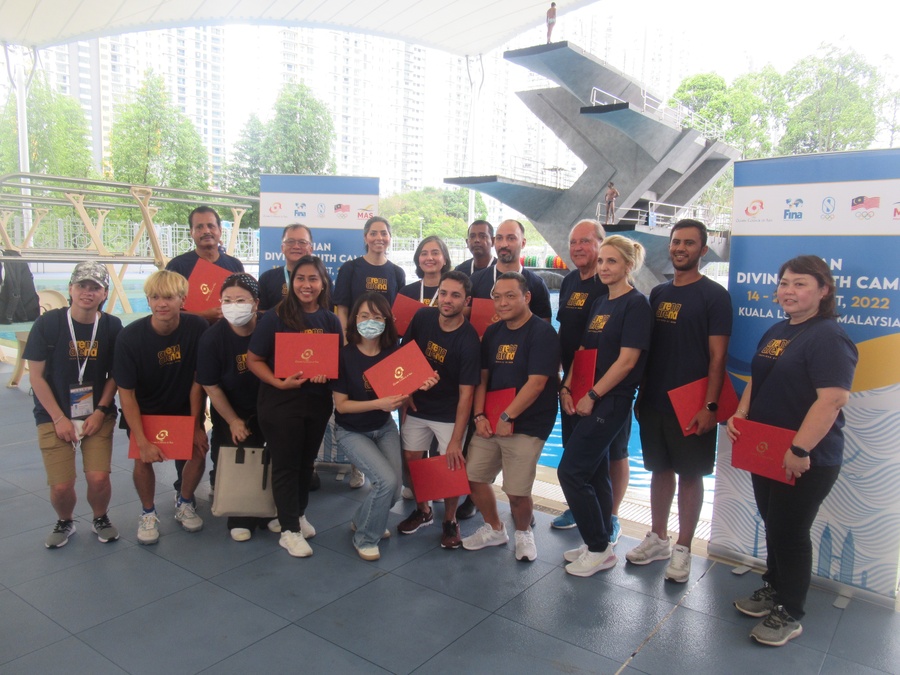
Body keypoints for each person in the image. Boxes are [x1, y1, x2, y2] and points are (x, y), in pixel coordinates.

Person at [727, 255, 857, 647]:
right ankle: (774, 586)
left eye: (800, 284)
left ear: (823, 290)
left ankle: (791, 610)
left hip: (805, 456)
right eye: (785, 283)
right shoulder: (779, 330)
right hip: (767, 449)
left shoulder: (829, 337)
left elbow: (832, 399)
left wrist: (799, 448)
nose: (789, 290)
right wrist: (742, 414)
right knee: (773, 523)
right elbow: (757, 379)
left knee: (791, 530)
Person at [626, 219, 732, 583]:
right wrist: (640, 392)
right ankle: (658, 537)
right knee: (659, 469)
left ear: (703, 250)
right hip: (655, 398)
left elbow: (718, 357)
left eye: (689, 243)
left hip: (692, 402)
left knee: (690, 474)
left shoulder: (715, 296)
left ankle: (684, 547)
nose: (680, 248)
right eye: (675, 242)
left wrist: (710, 406)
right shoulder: (658, 294)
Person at [558, 235, 652, 577]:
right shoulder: (601, 303)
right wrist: (567, 386)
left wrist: (592, 395)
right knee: (595, 473)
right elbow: (584, 352)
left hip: (611, 401)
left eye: (611, 262)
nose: (604, 268)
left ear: (628, 266)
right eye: (602, 262)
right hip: (586, 396)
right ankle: (596, 542)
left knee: (570, 471)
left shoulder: (636, 305)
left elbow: (626, 362)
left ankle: (598, 547)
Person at [247, 256, 342, 558]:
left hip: (316, 404)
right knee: (286, 465)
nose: (306, 285)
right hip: (280, 403)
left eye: (313, 279)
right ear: (291, 282)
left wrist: (328, 371)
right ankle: (288, 530)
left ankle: (298, 515)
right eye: (300, 278)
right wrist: (278, 382)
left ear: (323, 283)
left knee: (306, 464)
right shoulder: (275, 317)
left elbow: (336, 362)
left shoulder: (329, 320)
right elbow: (254, 359)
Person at [462, 272, 560, 562]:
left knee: (517, 492)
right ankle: (494, 528)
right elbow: (483, 377)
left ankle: (523, 534)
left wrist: (508, 415)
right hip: (492, 418)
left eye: (510, 296)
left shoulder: (542, 333)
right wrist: (479, 414)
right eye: (497, 297)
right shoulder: (493, 333)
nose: (502, 303)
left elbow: (537, 383)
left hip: (527, 423)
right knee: (474, 477)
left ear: (526, 297)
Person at [332, 292, 437, 561]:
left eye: (377, 317)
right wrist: (379, 403)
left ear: (387, 321)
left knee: (395, 484)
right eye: (364, 316)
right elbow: (342, 406)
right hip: (351, 430)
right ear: (354, 319)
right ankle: (366, 537)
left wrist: (423, 383)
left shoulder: (394, 352)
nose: (370, 321)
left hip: (383, 427)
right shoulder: (344, 356)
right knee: (385, 481)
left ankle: (363, 519)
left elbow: (407, 385)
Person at [25, 262, 121, 548]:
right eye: (82, 286)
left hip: (96, 413)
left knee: (98, 477)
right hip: (53, 414)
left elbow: (115, 375)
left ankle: (100, 517)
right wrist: (58, 418)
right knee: (61, 484)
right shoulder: (49, 323)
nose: (87, 293)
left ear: (104, 294)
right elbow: (36, 377)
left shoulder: (111, 326)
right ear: (70, 289)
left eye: (95, 288)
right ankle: (65, 520)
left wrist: (101, 410)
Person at [113, 271, 209, 545]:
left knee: (198, 451)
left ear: (183, 299)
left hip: (181, 405)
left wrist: (196, 426)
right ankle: (147, 512)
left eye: (168, 297)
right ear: (148, 300)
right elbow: (126, 394)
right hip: (144, 409)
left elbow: (196, 383)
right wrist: (142, 440)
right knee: (142, 459)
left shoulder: (197, 328)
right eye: (155, 297)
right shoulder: (130, 338)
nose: (161, 303)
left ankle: (185, 502)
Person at [552, 220, 631, 543]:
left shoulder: (610, 287)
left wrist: (594, 389)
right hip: (574, 381)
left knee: (614, 452)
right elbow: (568, 336)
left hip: (606, 389)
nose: (578, 248)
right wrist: (564, 382)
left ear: (601, 244)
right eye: (573, 242)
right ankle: (582, 505)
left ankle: (610, 516)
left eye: (586, 242)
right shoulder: (570, 281)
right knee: (576, 449)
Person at [397, 271, 481, 548]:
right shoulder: (423, 318)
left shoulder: (468, 340)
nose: (447, 300)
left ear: (466, 300)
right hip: (419, 405)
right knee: (412, 460)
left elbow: (466, 394)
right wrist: (407, 393)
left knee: (451, 466)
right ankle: (424, 511)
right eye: (443, 293)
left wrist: (457, 439)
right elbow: (405, 357)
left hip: (449, 412)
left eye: (455, 295)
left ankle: (450, 519)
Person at [196, 273, 272, 541]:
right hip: (231, 409)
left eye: (241, 300)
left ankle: (271, 512)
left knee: (272, 458)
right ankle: (240, 515)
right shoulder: (212, 339)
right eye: (227, 300)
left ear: (255, 303)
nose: (234, 305)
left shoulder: (270, 326)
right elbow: (211, 386)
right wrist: (232, 421)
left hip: (268, 406)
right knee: (234, 457)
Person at [333, 216, 405, 489]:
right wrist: (345, 342)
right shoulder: (350, 268)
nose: (379, 238)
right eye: (373, 233)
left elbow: (396, 313)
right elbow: (341, 308)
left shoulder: (396, 272)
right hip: (356, 342)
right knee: (355, 395)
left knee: (379, 398)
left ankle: (381, 471)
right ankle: (358, 466)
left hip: (383, 346)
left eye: (384, 233)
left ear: (389, 237)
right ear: (365, 237)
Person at [165, 206, 245, 323]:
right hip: (190, 334)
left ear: (220, 230)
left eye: (211, 226)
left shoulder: (235, 265)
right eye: (199, 227)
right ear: (191, 232)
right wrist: (202, 315)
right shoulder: (177, 266)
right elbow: (166, 309)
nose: (206, 231)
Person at [469, 219, 552, 321]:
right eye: (499, 238)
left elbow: (544, 329)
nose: (504, 244)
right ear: (494, 242)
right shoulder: (475, 281)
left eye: (511, 238)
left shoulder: (536, 285)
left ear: (523, 243)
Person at [258, 224, 315, 311]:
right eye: (290, 242)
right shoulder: (267, 279)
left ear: (311, 249)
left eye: (302, 242)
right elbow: (260, 313)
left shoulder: (322, 279)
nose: (296, 246)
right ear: (282, 248)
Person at [397, 235, 452, 308]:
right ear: (418, 260)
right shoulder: (406, 292)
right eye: (424, 254)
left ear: (445, 259)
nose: (429, 258)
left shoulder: (453, 291)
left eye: (435, 253)